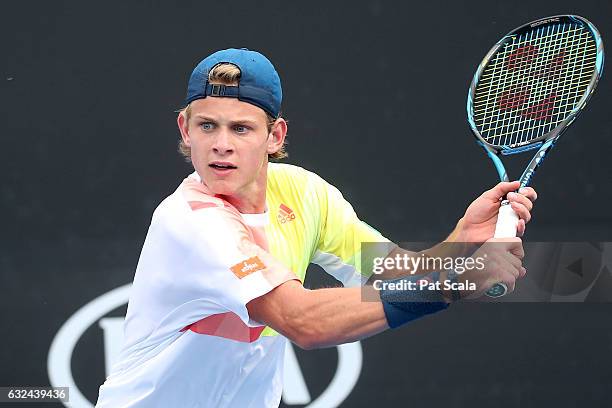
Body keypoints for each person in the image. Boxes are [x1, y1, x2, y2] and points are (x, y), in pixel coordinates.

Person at [96, 48, 537, 407]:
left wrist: (462, 241)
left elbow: (391, 273)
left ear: (275, 136)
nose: (221, 145)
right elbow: (303, 321)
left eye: (242, 128)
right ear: (185, 129)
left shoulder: (305, 193)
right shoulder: (190, 220)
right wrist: (458, 281)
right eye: (207, 126)